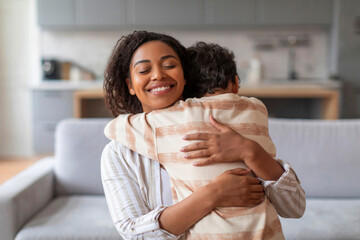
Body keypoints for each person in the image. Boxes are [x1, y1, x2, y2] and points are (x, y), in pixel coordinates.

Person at [101, 31, 305, 240]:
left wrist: (250, 151)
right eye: (144, 70)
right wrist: (214, 194)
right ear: (130, 85)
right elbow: (134, 234)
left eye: (170, 65)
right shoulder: (119, 153)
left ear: (185, 75)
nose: (158, 75)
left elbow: (295, 208)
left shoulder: (231, 126)